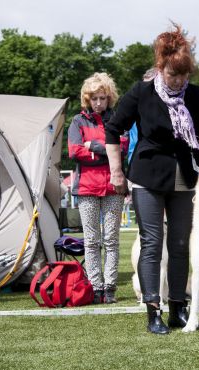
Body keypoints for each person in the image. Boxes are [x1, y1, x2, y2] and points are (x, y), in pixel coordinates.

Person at [105, 23, 199, 334]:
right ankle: (153, 311)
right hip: (147, 176)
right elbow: (113, 128)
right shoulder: (141, 92)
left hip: (184, 177)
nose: (178, 81)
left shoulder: (197, 96)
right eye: (172, 74)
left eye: (183, 74)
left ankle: (179, 308)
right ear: (160, 67)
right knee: (152, 243)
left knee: (180, 244)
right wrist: (116, 172)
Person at [68, 72, 127, 304]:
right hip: (86, 189)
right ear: (87, 99)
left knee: (111, 240)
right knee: (92, 241)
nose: (98, 103)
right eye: (94, 98)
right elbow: (74, 152)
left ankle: (110, 288)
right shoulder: (77, 121)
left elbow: (122, 148)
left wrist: (93, 147)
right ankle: (95, 287)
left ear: (109, 97)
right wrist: (106, 150)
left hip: (114, 186)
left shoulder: (118, 119)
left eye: (102, 98)